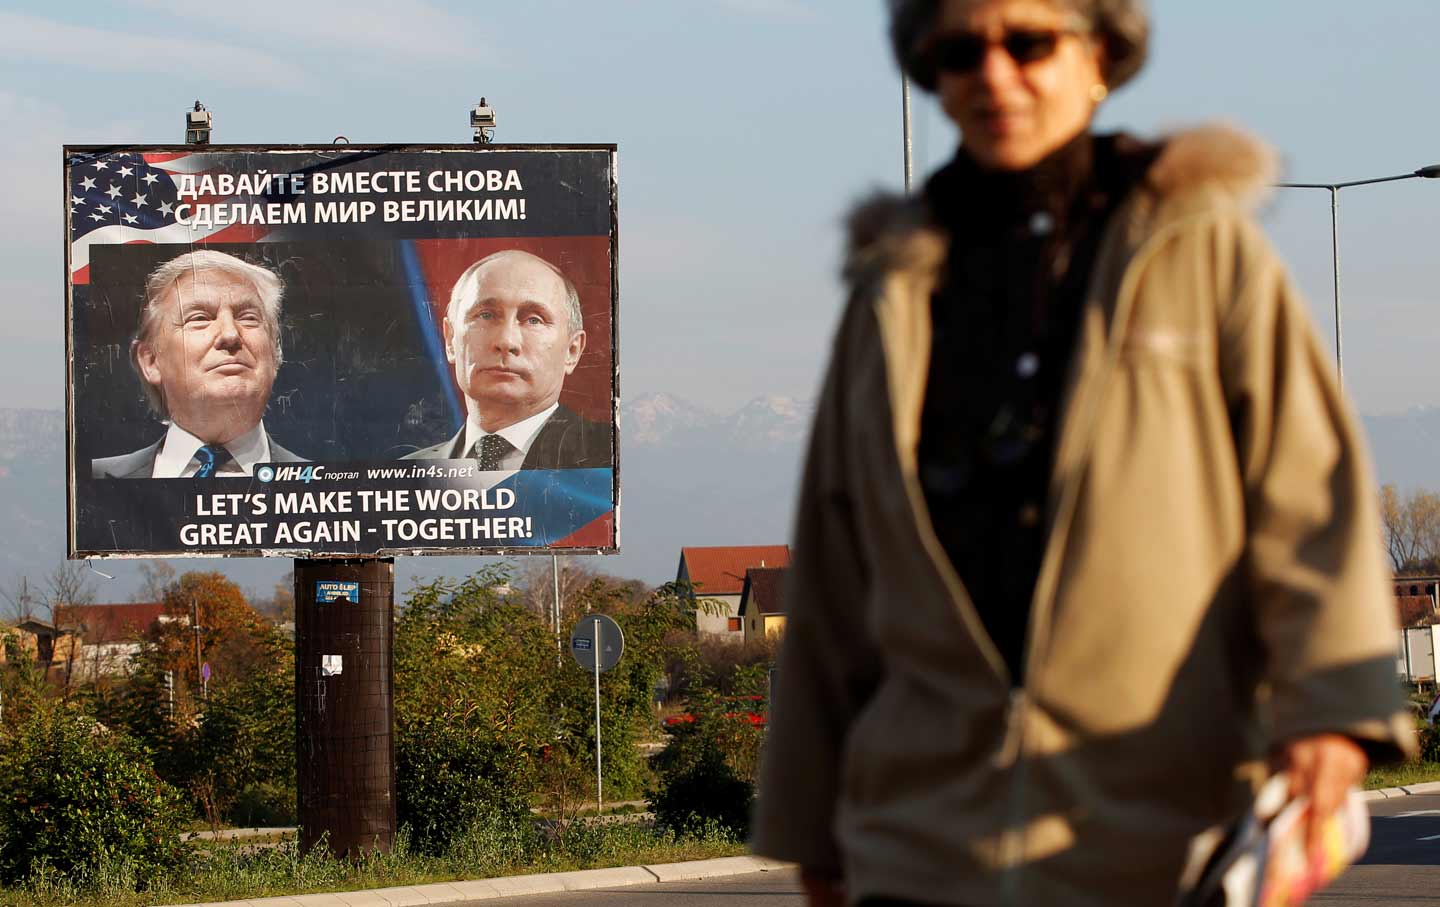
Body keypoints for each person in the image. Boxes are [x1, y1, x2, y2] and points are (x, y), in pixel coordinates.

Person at [751, 1, 1415, 904]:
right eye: (958, 51)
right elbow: (832, 577)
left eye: (1028, 42)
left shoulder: (1199, 250)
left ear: (1098, 52)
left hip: (1156, 825)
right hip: (920, 837)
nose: (994, 74)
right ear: (928, 71)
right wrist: (812, 833)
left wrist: (1336, 709)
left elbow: (1310, 493)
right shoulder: (891, 289)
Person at [93, 250, 305, 478]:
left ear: (274, 353)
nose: (230, 334)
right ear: (151, 361)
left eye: (248, 317)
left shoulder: (330, 484)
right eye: (200, 318)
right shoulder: (93, 477)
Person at [404, 249, 613, 469]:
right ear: (450, 340)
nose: (506, 341)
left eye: (534, 320)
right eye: (486, 315)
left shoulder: (615, 458)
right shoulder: (408, 473)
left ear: (572, 351)